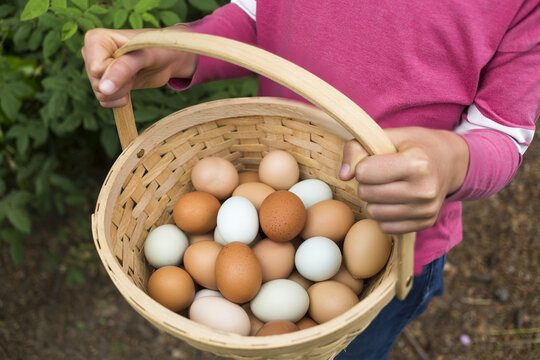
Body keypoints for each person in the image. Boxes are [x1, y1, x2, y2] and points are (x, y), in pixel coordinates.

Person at [82, 0, 539, 358]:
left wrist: (452, 161)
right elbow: (260, 14)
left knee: (353, 348)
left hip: (400, 239)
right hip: (289, 173)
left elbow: (501, 133)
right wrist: (180, 51)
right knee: (256, 329)